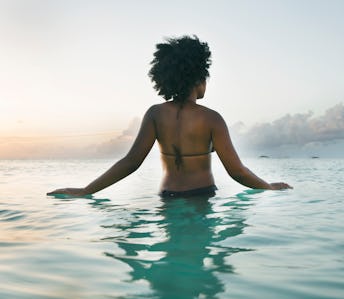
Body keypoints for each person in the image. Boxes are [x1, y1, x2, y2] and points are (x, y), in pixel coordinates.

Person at [47, 35, 291, 198]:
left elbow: (131, 162)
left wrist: (87, 190)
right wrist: (268, 186)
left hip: (168, 197)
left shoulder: (155, 114)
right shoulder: (212, 119)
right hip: (201, 196)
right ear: (198, 78)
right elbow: (237, 171)